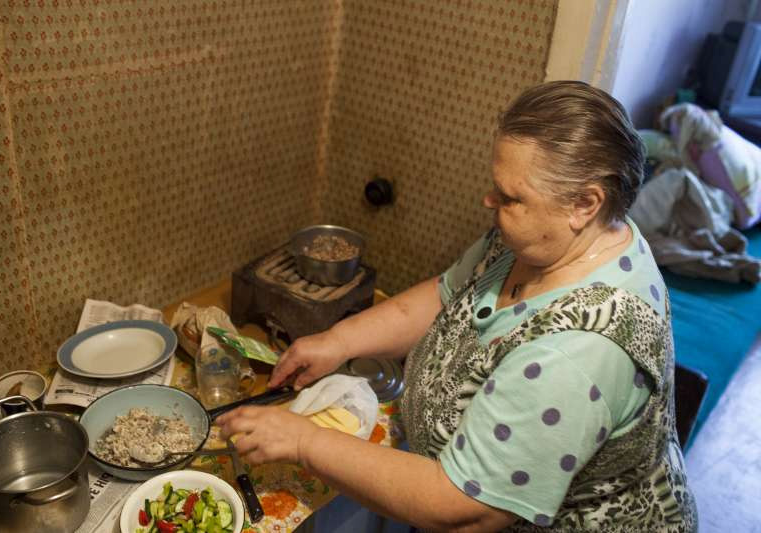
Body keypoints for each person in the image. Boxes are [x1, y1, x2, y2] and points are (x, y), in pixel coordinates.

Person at [216, 81, 698, 532]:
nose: (489, 200)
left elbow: (462, 508)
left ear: (586, 204)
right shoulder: (544, 240)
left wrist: (305, 441)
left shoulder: (576, 354)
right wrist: (337, 341)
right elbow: (448, 294)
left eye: (510, 198)